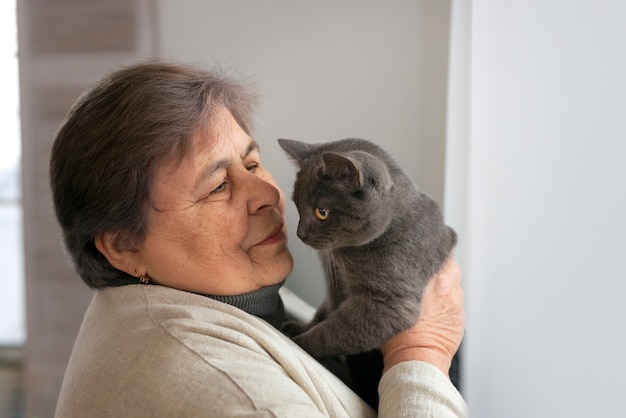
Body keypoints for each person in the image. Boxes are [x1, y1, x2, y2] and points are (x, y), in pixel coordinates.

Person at [50, 60, 467, 417]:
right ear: (124, 247)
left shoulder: (217, 295)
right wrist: (422, 352)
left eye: (251, 163)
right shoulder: (242, 399)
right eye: (217, 187)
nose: (267, 195)